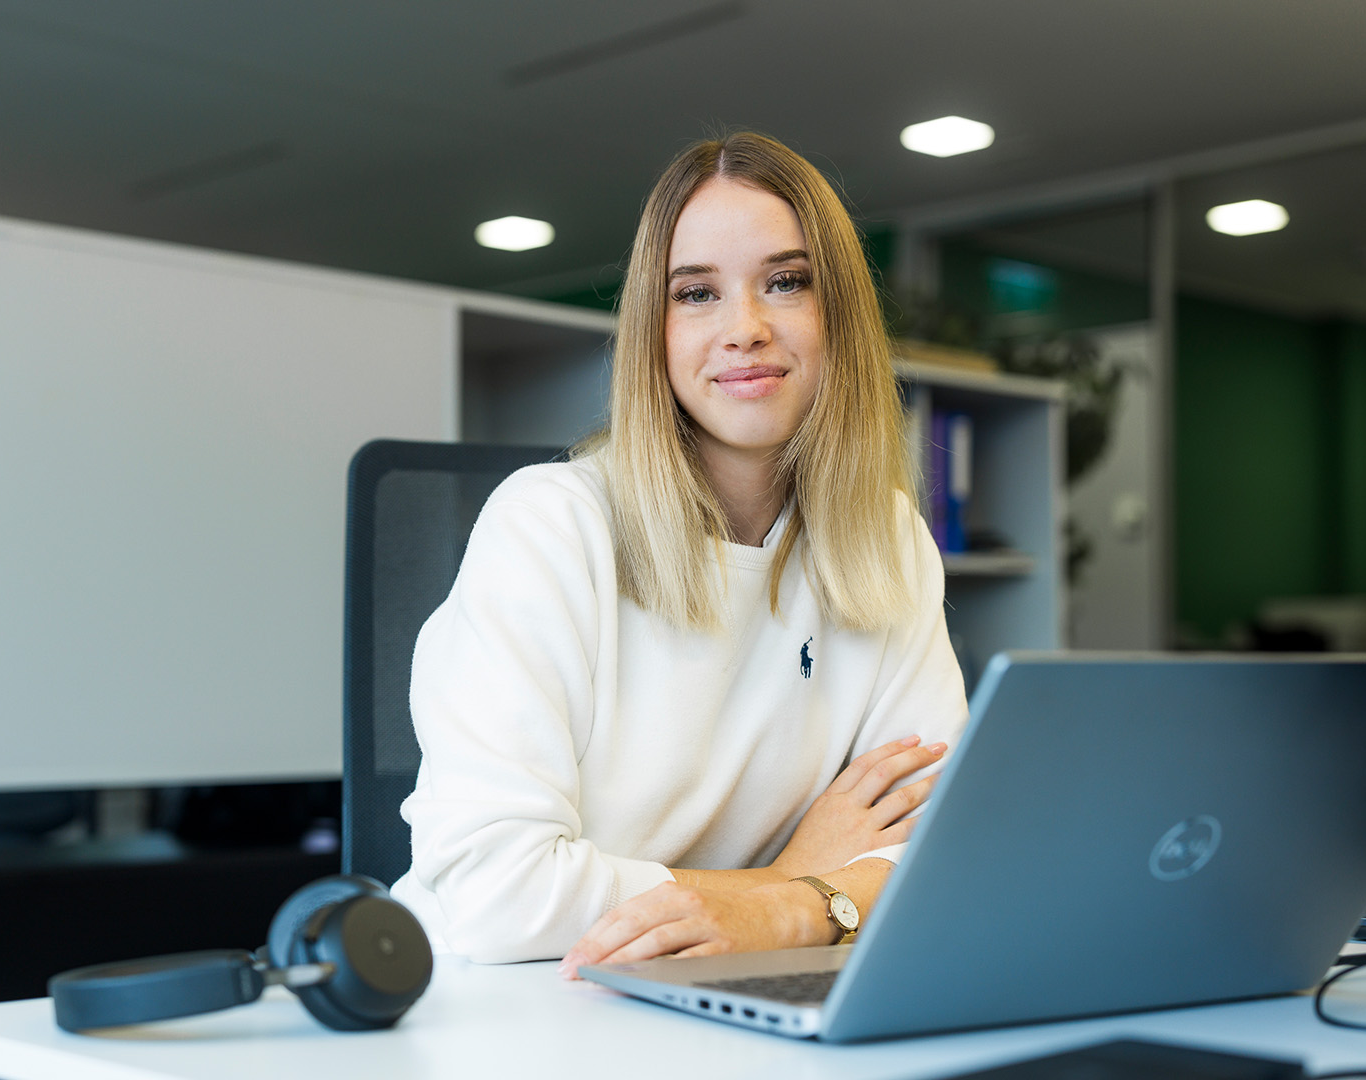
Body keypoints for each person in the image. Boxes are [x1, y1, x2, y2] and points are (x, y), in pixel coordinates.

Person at [388, 132, 968, 970]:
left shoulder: (889, 540)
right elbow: (498, 895)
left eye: (786, 282)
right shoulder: (549, 528)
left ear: (838, 310)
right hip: (509, 1002)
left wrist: (785, 910)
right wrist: (790, 887)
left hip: (732, 993)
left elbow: (939, 850)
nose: (746, 328)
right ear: (651, 332)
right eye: (696, 293)